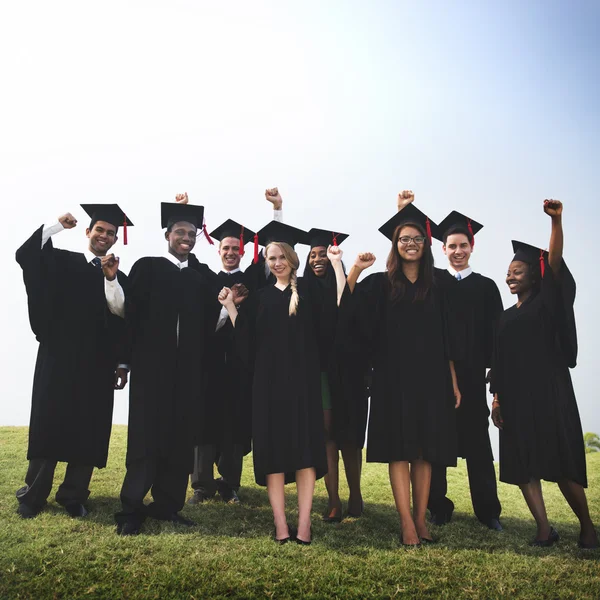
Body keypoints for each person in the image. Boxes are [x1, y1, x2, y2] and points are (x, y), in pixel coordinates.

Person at [218, 221, 346, 545]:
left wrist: (337, 265)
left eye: (281, 257)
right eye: (270, 258)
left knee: (305, 455)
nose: (276, 263)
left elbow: (337, 311)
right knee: (273, 456)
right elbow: (245, 342)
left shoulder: (310, 294)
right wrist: (231, 306)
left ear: (292, 258)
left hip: (303, 387)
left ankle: (304, 524)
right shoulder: (260, 298)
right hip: (268, 388)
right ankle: (280, 524)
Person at [343, 204, 461, 546]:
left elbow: (448, 336)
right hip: (392, 378)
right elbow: (347, 312)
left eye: (417, 239)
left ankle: (422, 520)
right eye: (403, 239)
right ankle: (406, 523)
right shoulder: (380, 284)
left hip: (433, 376)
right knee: (399, 449)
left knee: (424, 451)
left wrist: (452, 379)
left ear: (426, 245)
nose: (411, 243)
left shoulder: (439, 285)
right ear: (394, 245)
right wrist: (355, 269)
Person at [491, 200, 598, 549]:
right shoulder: (505, 317)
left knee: (563, 462)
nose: (510, 275)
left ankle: (587, 527)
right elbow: (499, 362)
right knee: (523, 465)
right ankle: (543, 528)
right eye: (508, 271)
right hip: (516, 398)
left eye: (517, 271)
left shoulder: (547, 303)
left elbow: (553, 264)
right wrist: (496, 399)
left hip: (550, 394)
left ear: (534, 276)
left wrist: (556, 222)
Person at [15, 204, 130, 519]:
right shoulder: (63, 262)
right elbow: (27, 255)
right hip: (59, 355)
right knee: (49, 422)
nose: (104, 236)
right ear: (88, 232)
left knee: (88, 428)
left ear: (116, 238)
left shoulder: (116, 274)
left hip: (97, 363)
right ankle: (33, 495)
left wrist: (122, 363)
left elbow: (122, 315)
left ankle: (74, 495)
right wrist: (55, 226)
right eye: (100, 230)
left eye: (110, 233)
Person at [114, 202, 222, 536]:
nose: (186, 238)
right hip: (151, 369)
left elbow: (213, 321)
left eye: (191, 233)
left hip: (188, 370)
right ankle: (132, 508)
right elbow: (127, 314)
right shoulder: (147, 268)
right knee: (145, 437)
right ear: (167, 235)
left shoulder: (202, 276)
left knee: (180, 437)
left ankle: (167, 505)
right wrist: (123, 362)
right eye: (180, 232)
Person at [426, 210, 503, 530]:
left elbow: (499, 341)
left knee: (478, 446)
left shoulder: (486, 287)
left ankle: (488, 512)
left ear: (472, 247)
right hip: (437, 375)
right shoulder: (434, 284)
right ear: (442, 249)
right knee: (436, 442)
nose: (457, 251)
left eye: (463, 245)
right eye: (451, 246)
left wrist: (497, 389)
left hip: (471, 378)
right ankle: (438, 508)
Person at [188, 218, 257, 505]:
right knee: (204, 423)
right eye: (226, 247)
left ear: (243, 252)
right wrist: (227, 307)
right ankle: (202, 485)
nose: (231, 252)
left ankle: (230, 484)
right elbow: (203, 325)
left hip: (240, 368)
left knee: (234, 425)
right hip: (210, 365)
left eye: (236, 248)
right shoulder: (206, 279)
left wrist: (277, 209)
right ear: (218, 250)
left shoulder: (253, 281)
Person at [302, 228, 367, 522]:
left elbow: (344, 301)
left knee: (350, 438)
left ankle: (355, 494)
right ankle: (334, 500)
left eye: (322, 255)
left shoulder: (343, 285)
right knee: (328, 435)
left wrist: (340, 263)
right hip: (320, 372)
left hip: (350, 371)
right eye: (312, 255)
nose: (318, 259)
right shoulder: (301, 288)